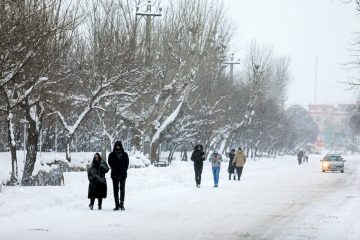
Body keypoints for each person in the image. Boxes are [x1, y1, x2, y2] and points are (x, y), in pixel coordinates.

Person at [108, 141, 129, 211]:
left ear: (121, 146)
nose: (118, 147)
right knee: (115, 190)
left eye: (119, 145)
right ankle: (116, 204)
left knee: (122, 189)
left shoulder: (125, 154)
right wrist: (115, 170)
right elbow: (110, 163)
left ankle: (122, 204)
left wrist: (122, 172)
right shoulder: (111, 154)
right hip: (114, 175)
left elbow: (126, 164)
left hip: (123, 175)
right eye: (116, 145)